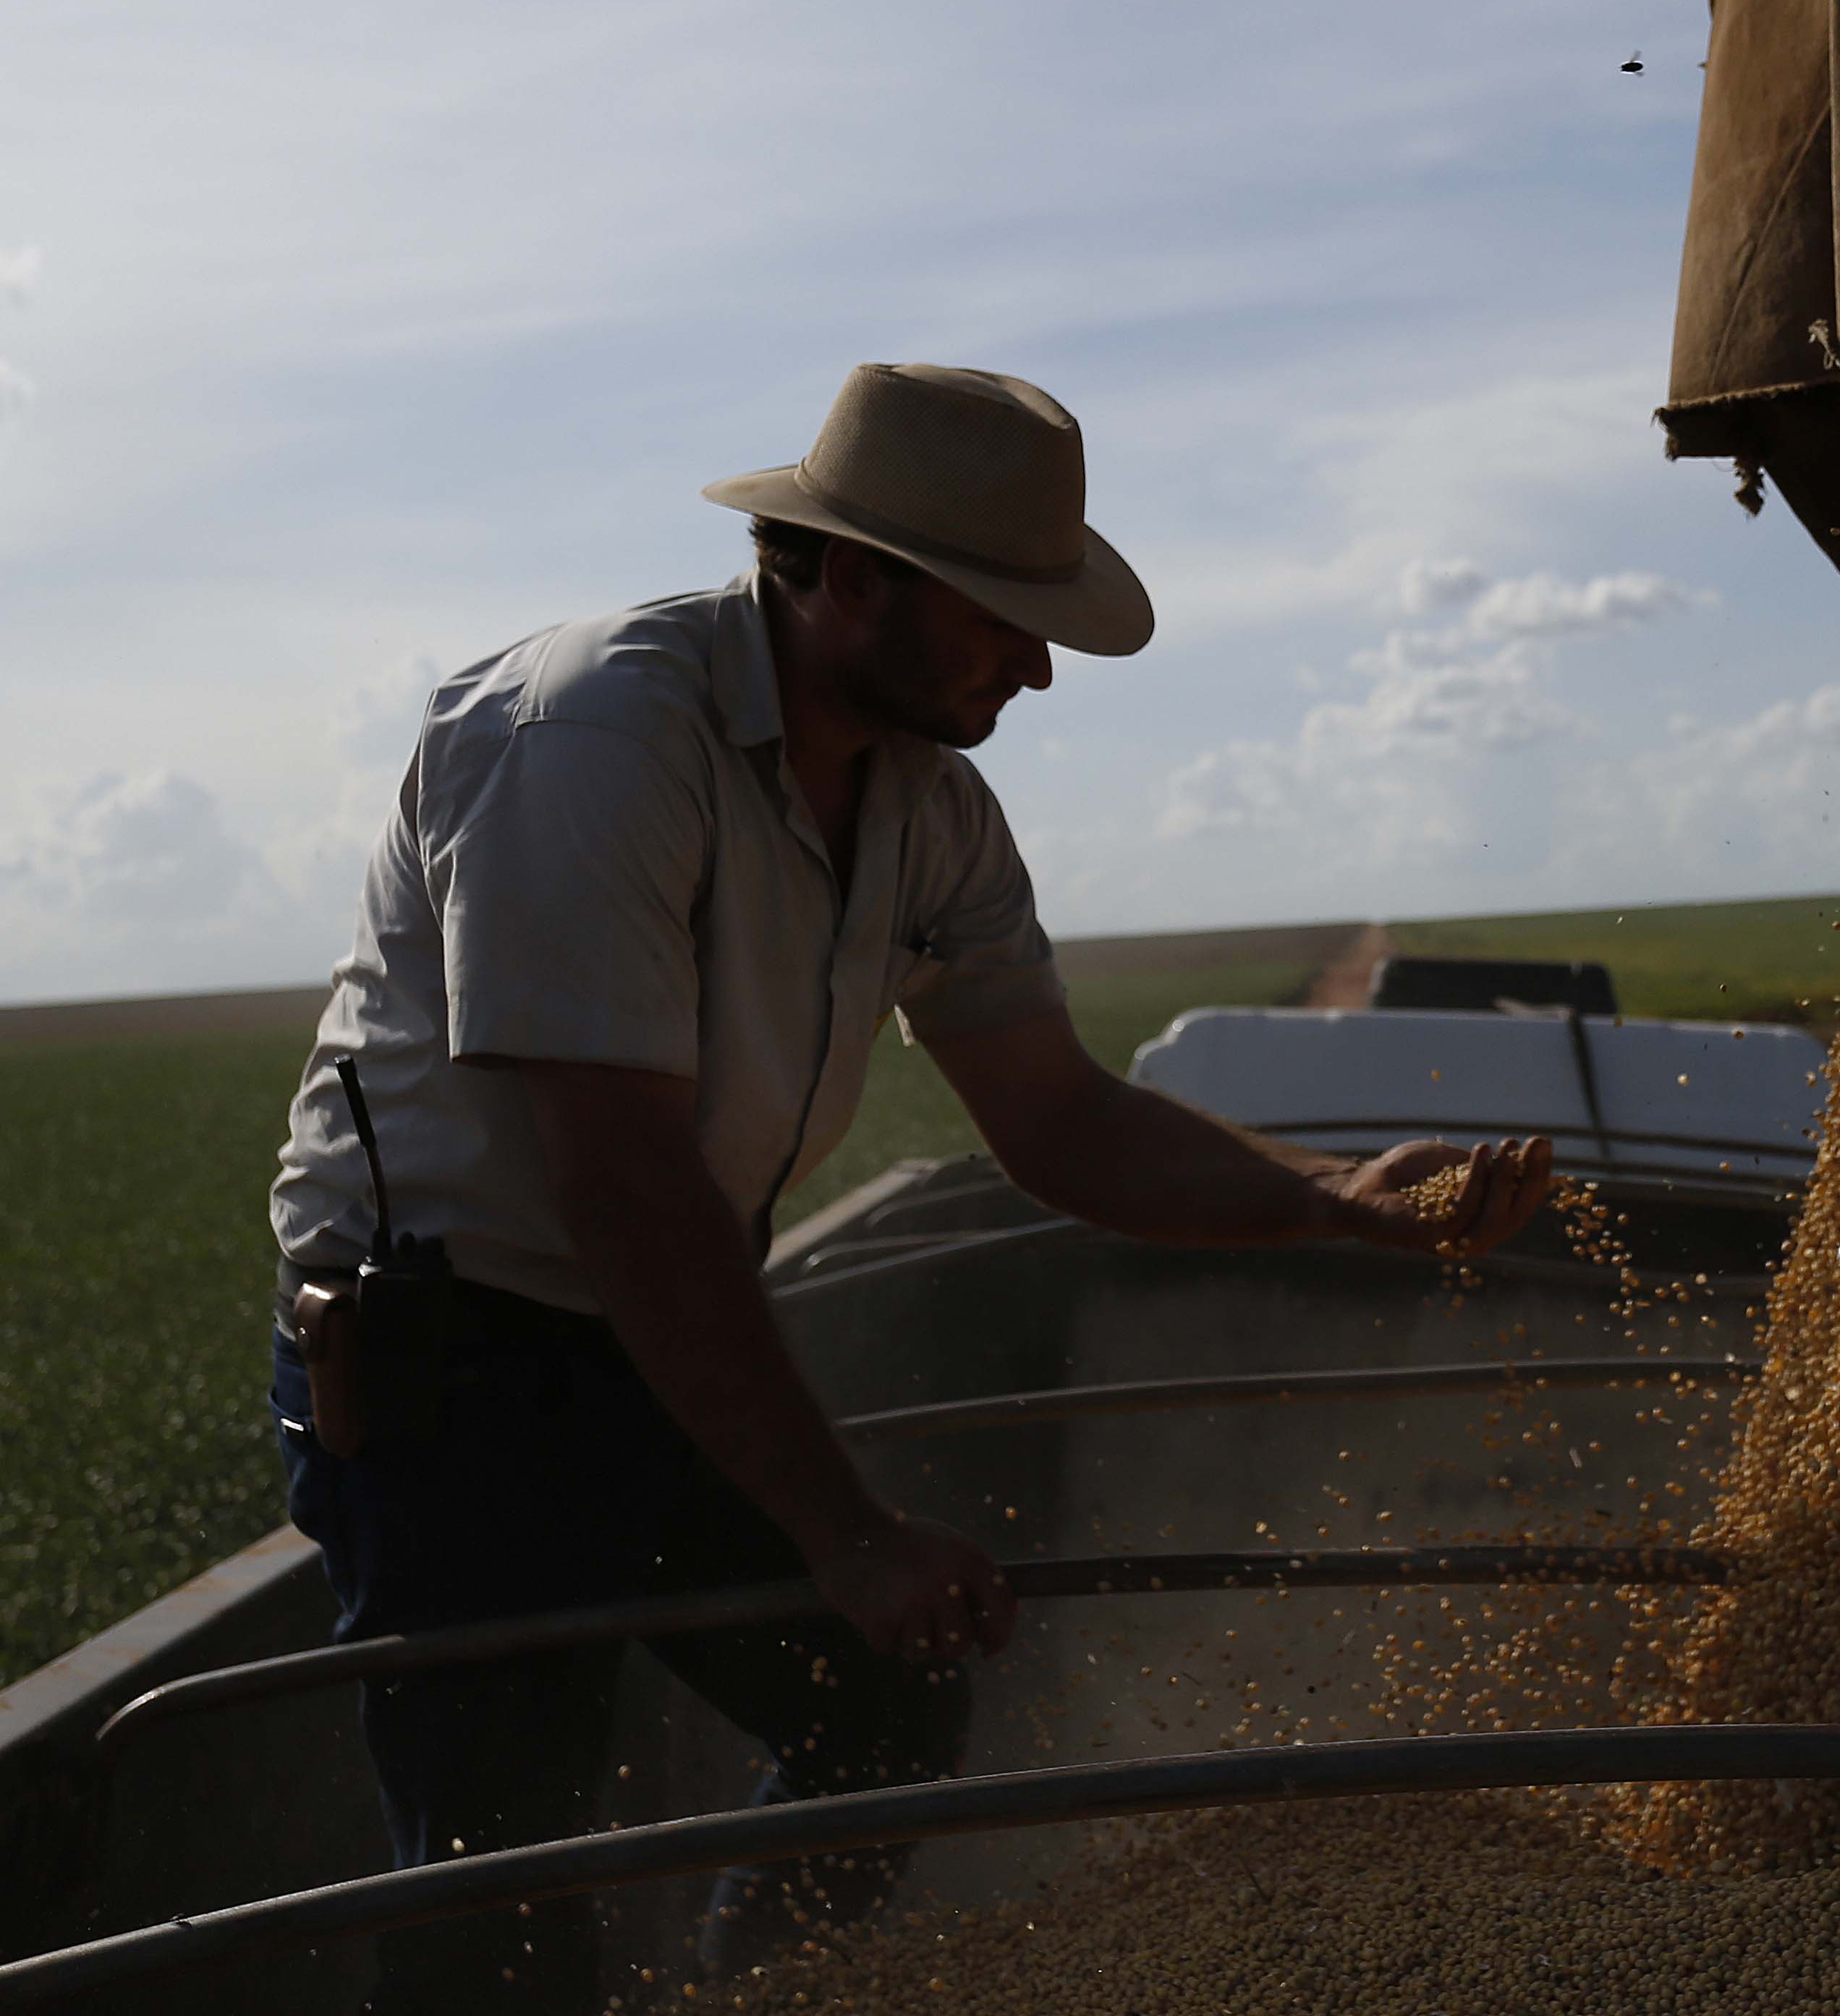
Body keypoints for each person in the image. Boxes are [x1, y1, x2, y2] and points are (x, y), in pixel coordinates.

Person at [265, 362, 1552, 2011]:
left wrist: (1336, 1196)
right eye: (1006, 617)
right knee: (505, 1868)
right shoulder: (590, 738)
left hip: (655, 1331)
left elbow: (1058, 1113)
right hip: (456, 1360)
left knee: (878, 1699)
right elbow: (625, 1182)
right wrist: (846, 1527)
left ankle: (765, 1993)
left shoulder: (928, 810)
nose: (1035, 663)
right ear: (850, 575)